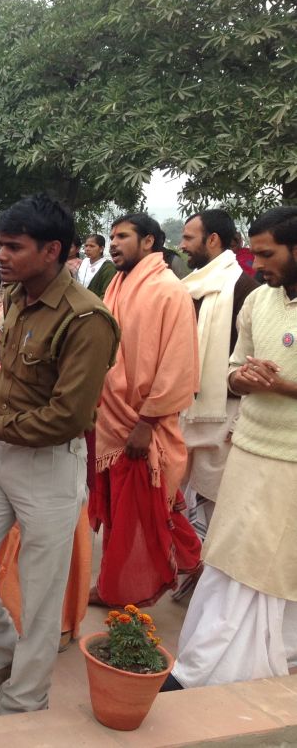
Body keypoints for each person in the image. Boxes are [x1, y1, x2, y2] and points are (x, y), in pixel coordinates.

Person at [0, 194, 118, 715]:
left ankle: (23, 700)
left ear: (52, 249)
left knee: (39, 595)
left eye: (13, 246)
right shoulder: (13, 295)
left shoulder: (87, 319)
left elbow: (69, 417)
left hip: (49, 464)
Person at [165, 205, 297, 692]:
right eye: (254, 252)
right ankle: (206, 661)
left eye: (267, 254)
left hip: (291, 459)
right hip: (249, 445)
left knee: (269, 564)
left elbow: (280, 383)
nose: (257, 263)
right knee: (228, 556)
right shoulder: (259, 299)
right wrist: (242, 376)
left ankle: (241, 663)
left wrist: (283, 387)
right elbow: (234, 367)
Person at [91, 213, 202, 608]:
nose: (114, 243)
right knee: (124, 511)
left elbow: (177, 365)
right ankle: (117, 581)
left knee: (147, 510)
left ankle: (131, 586)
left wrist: (146, 423)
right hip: (110, 417)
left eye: (123, 236)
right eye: (111, 236)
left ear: (149, 241)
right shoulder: (117, 283)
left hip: (143, 423)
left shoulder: (169, 291)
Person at [176, 209, 259, 556]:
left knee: (216, 496)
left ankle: (215, 570)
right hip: (185, 407)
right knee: (174, 492)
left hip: (224, 411)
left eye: (188, 239)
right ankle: (184, 563)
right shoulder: (189, 286)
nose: (182, 247)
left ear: (213, 241)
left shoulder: (244, 287)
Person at [77, 233, 115, 298]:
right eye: (86, 246)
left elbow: (106, 294)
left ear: (101, 249)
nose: (87, 249)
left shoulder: (108, 267)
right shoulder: (84, 262)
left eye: (92, 246)